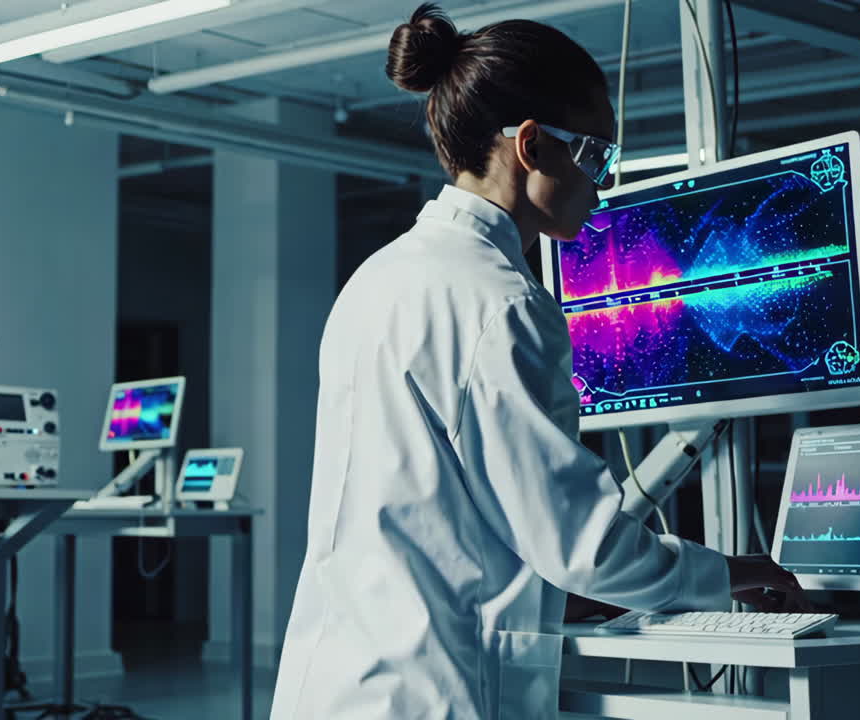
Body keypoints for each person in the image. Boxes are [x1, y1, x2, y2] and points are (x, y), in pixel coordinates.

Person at [269, 4, 807, 719]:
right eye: (597, 156)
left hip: (338, 681)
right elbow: (585, 545)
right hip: (438, 691)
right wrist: (733, 573)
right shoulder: (501, 304)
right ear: (530, 144)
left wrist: (558, 588)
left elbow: (435, 507)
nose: (602, 186)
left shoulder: (379, 278)